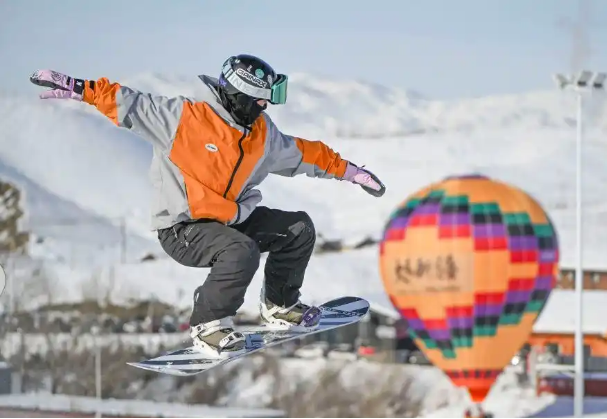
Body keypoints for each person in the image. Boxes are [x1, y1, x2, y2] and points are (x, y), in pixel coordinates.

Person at [29, 54, 386, 356]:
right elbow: (129, 102)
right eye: (260, 100)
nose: (265, 107)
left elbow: (303, 153)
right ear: (240, 96)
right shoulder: (184, 118)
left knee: (298, 228)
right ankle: (208, 326)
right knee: (241, 250)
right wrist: (79, 88)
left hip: (228, 221)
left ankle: (280, 306)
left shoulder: (261, 134)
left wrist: (349, 171)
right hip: (182, 227)